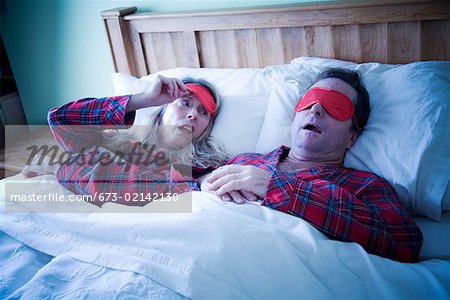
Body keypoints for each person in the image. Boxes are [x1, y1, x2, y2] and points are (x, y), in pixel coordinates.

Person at [200, 68, 423, 263]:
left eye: (336, 105)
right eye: (309, 100)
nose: (315, 109)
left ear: (352, 136)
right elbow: (168, 192)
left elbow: (404, 244)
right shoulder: (245, 160)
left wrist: (277, 187)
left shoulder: (365, 185)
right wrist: (166, 114)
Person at [23, 75, 227, 206]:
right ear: (164, 107)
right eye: (185, 103)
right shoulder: (117, 141)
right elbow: (61, 119)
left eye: (203, 113)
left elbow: (138, 188)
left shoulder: (205, 168)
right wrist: (145, 99)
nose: (193, 115)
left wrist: (59, 166)